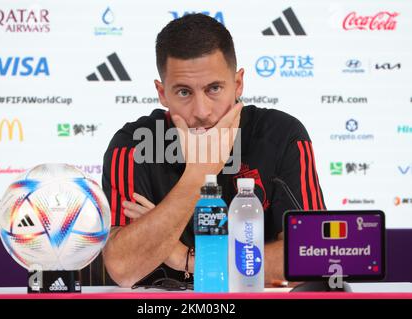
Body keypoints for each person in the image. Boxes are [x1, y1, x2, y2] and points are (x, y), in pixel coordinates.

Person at [100, 13, 326, 288]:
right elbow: (123, 268)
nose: (202, 111)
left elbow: (311, 257)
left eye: (214, 88)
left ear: (238, 83)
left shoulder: (282, 135)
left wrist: (191, 260)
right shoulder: (133, 144)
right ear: (162, 93)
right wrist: (198, 175)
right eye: (183, 92)